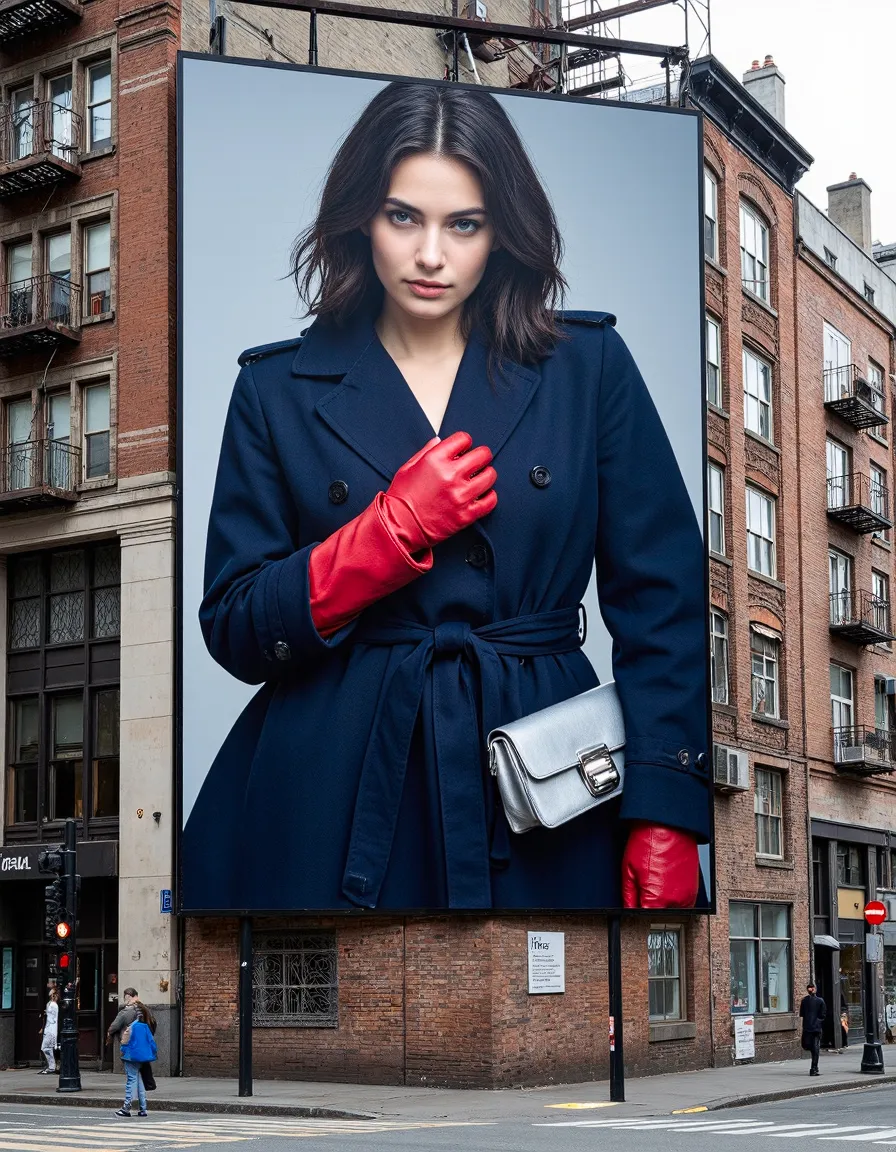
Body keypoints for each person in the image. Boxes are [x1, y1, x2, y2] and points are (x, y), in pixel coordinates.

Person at [183, 80, 710, 913]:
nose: (431, 255)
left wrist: (665, 809)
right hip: (334, 772)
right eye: (404, 217)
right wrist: (384, 536)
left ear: (501, 231)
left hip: (546, 771)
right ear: (361, 216)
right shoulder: (275, 389)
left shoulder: (588, 369)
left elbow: (666, 601)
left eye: (462, 224)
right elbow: (235, 624)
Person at [800, 982, 826, 1076]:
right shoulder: (820, 1001)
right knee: (816, 1048)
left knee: (809, 1046)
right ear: (815, 989)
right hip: (816, 1028)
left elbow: (802, 1014)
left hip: (807, 1027)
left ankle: (814, 1067)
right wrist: (818, 1021)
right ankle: (814, 1068)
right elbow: (823, 1015)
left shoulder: (804, 1001)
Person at [38, 986, 58, 1074]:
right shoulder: (50, 1003)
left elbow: (53, 1019)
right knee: (46, 1048)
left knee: (46, 1047)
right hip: (48, 1028)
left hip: (51, 1029)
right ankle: (51, 1066)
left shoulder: (53, 1005)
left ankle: (51, 1066)